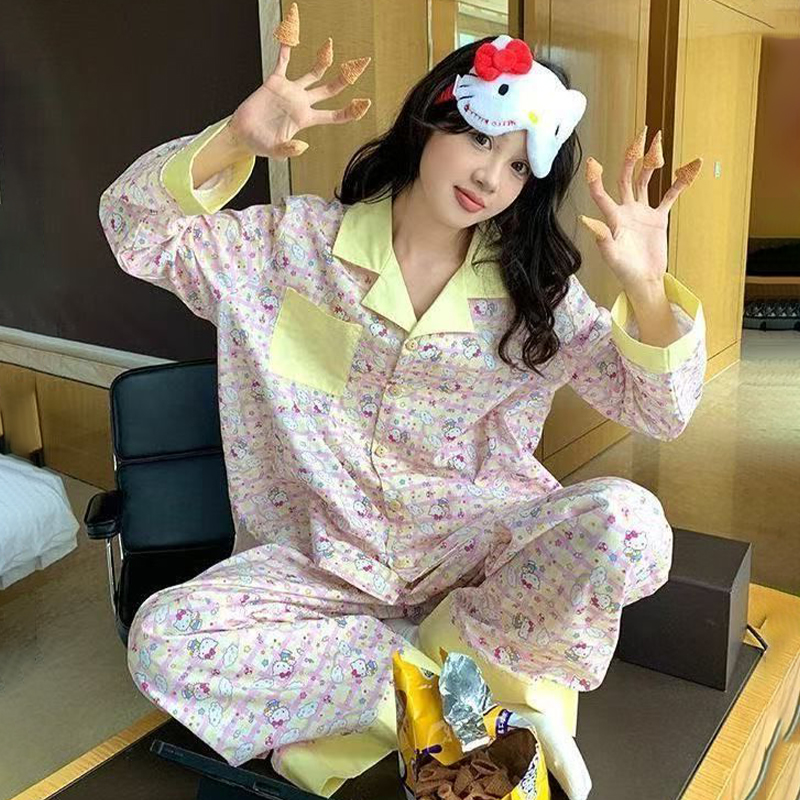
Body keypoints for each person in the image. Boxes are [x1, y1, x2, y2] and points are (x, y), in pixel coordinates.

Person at [98, 2, 707, 793]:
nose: (490, 177)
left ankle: (442, 664)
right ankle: (446, 695)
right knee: (163, 641)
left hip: (478, 558)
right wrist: (232, 141)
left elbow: (661, 411)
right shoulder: (288, 248)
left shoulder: (535, 298)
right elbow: (138, 231)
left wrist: (648, 289)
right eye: (481, 140)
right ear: (431, 120)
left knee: (634, 526)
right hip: (322, 565)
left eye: (518, 167)